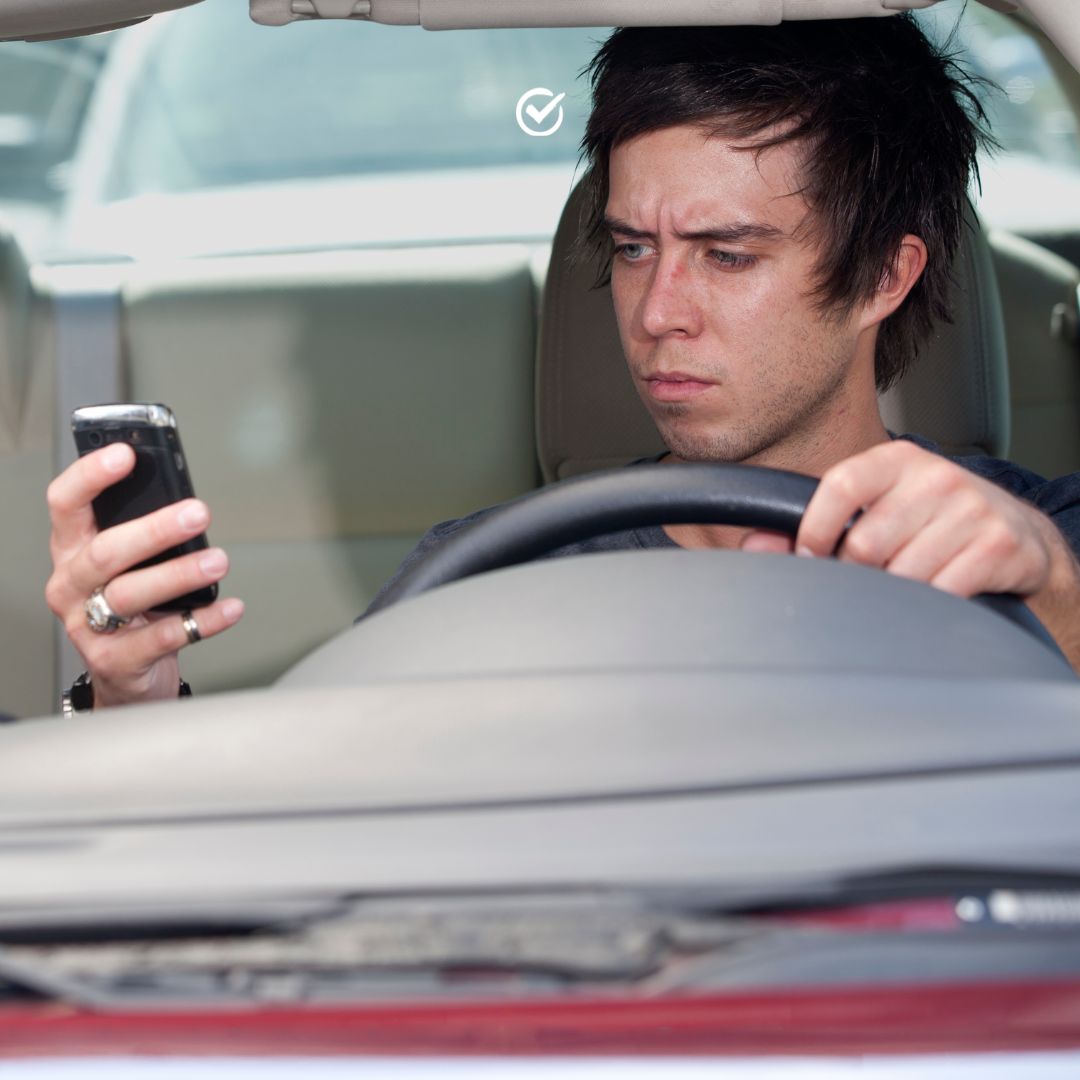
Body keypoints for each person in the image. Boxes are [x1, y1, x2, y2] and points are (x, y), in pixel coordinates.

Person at [45, 15, 1080, 710]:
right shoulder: (486, 579)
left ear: (883, 278)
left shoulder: (1045, 548)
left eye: (727, 254)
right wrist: (138, 695)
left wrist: (1052, 589)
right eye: (633, 248)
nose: (657, 312)